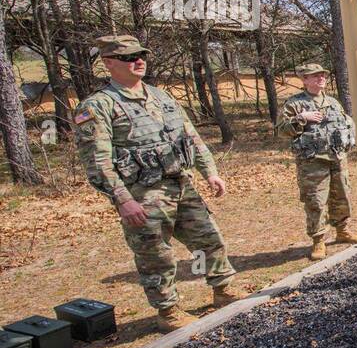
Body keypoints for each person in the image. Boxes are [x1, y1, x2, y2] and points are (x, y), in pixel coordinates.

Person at [74, 35, 242, 332]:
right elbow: (98, 162)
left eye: (141, 55)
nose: (138, 61)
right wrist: (123, 200)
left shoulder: (162, 96)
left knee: (209, 240)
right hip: (142, 194)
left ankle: (223, 290)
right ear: (109, 63)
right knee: (156, 255)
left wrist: (210, 171)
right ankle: (168, 311)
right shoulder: (98, 106)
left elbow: (190, 136)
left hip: (181, 184)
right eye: (129, 57)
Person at [277, 63, 357, 260]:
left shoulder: (332, 102)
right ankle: (318, 241)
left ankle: (342, 230)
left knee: (342, 195)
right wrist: (301, 118)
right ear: (304, 80)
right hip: (313, 162)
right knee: (316, 201)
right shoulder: (294, 104)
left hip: (337, 158)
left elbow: (344, 124)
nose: (320, 78)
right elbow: (281, 130)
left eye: (322, 75)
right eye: (315, 76)